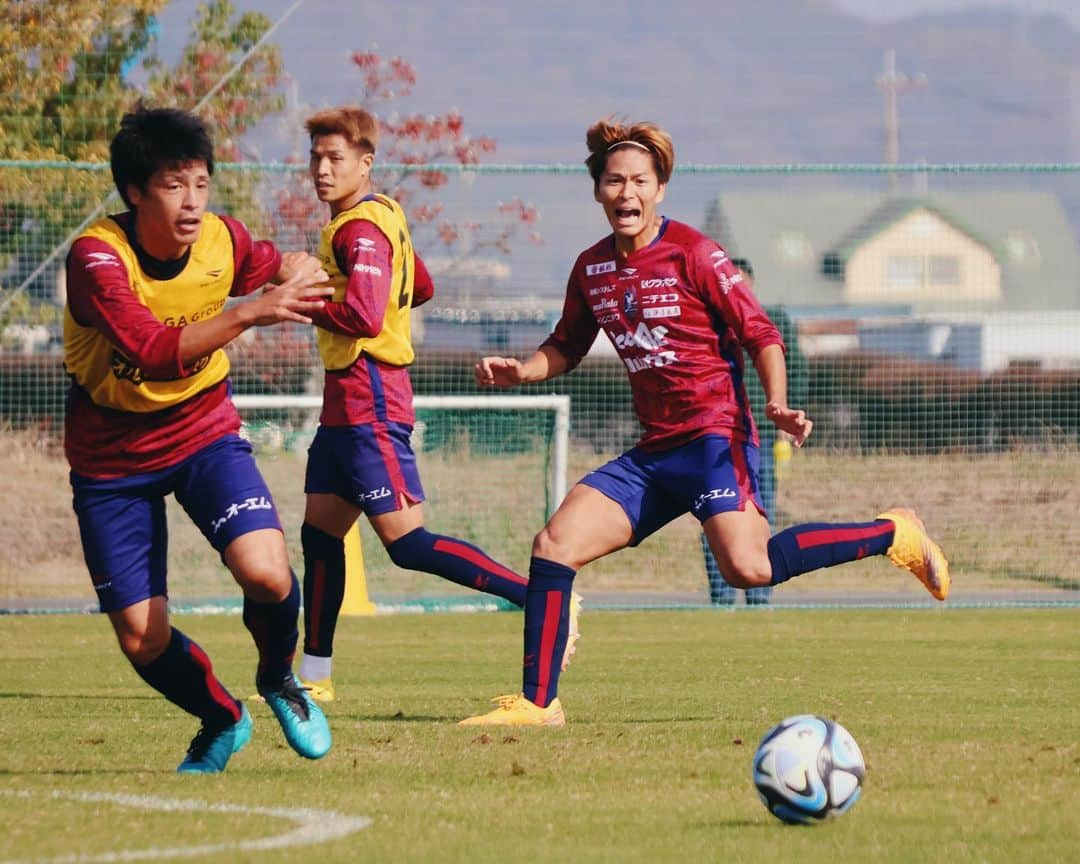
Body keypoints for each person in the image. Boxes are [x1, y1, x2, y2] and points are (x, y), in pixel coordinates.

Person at [459, 118, 950, 728]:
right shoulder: (591, 269)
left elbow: (761, 333)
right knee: (554, 546)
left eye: (640, 180)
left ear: (660, 188)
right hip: (655, 453)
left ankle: (894, 533)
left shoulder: (696, 253)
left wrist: (775, 403)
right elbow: (567, 345)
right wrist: (524, 371)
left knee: (750, 569)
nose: (626, 192)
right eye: (614, 181)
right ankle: (538, 705)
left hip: (717, 440)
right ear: (598, 191)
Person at [64, 106, 333, 773]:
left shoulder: (223, 239)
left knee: (267, 573)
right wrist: (250, 312)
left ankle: (278, 680)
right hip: (111, 458)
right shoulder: (97, 257)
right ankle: (222, 718)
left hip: (202, 432)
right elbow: (153, 351)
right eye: (173, 185)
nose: (192, 202)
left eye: (201, 184)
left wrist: (297, 268)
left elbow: (276, 264)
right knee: (139, 637)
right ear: (134, 191)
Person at [295, 105, 579, 701]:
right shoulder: (381, 217)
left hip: (371, 401)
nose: (321, 168)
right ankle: (314, 681)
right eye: (316, 157)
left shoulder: (360, 229)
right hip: (342, 407)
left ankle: (541, 594)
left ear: (364, 163)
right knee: (321, 538)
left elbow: (367, 315)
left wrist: (301, 299)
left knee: (407, 545)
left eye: (335, 158)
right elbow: (420, 285)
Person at [701, 257, 805, 607]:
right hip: (714, 438)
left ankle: (760, 597)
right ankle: (721, 598)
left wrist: (786, 418)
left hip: (757, 438)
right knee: (716, 515)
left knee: (763, 513)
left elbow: (795, 370)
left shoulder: (772, 323)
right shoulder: (705, 323)